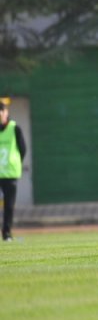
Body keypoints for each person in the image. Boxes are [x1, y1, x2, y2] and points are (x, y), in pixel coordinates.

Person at [0, 99, 27, 242]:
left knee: (9, 206)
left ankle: (6, 234)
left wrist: (15, 162)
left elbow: (23, 149)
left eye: (1, 111)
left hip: (10, 173)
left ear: (6, 112)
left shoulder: (15, 128)